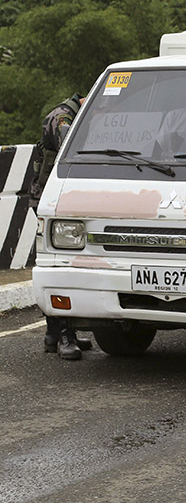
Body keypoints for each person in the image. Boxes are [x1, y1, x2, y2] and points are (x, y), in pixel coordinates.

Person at [29, 93, 93, 359]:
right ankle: (64, 335)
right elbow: (72, 151)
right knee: (60, 265)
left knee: (65, 264)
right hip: (52, 201)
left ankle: (54, 334)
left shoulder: (70, 114)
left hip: (58, 199)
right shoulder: (63, 118)